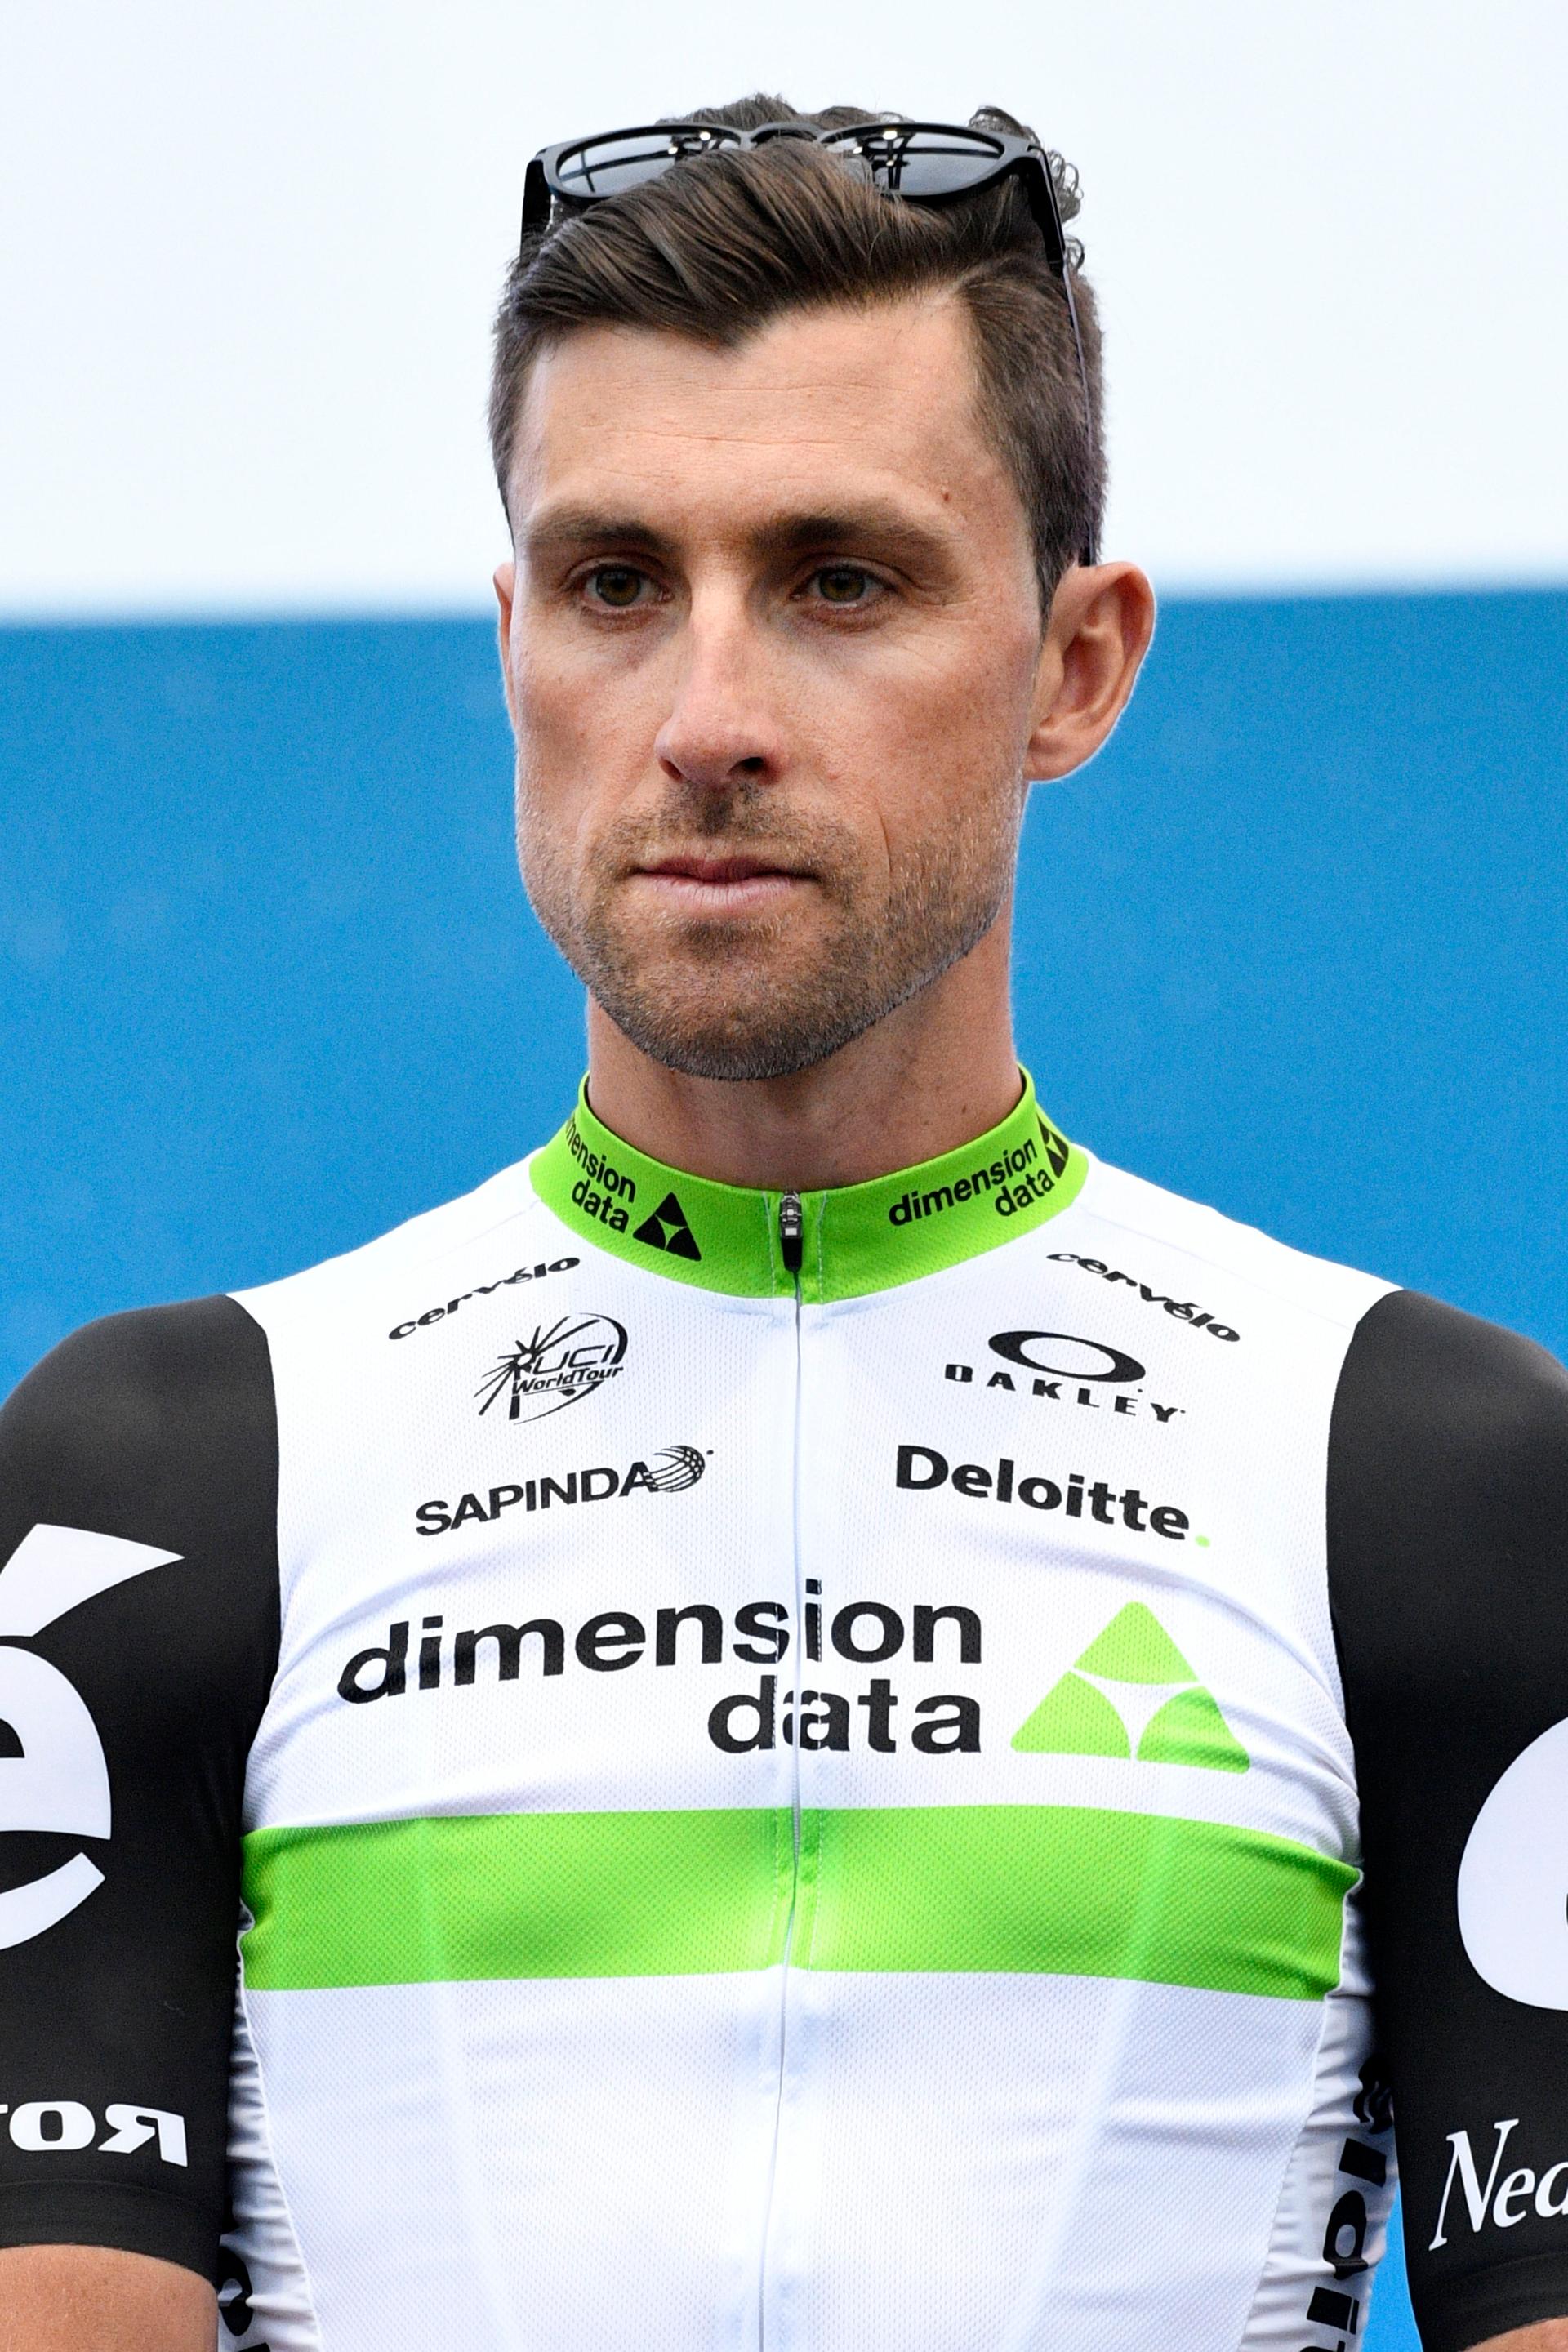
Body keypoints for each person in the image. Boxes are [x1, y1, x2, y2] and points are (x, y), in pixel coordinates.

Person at [2, 92, 1566, 2352]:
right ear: (510, 636)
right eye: (617, 583)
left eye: (842, 577)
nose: (706, 717)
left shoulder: (1433, 1477)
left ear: (1076, 664)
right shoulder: (154, 1472)